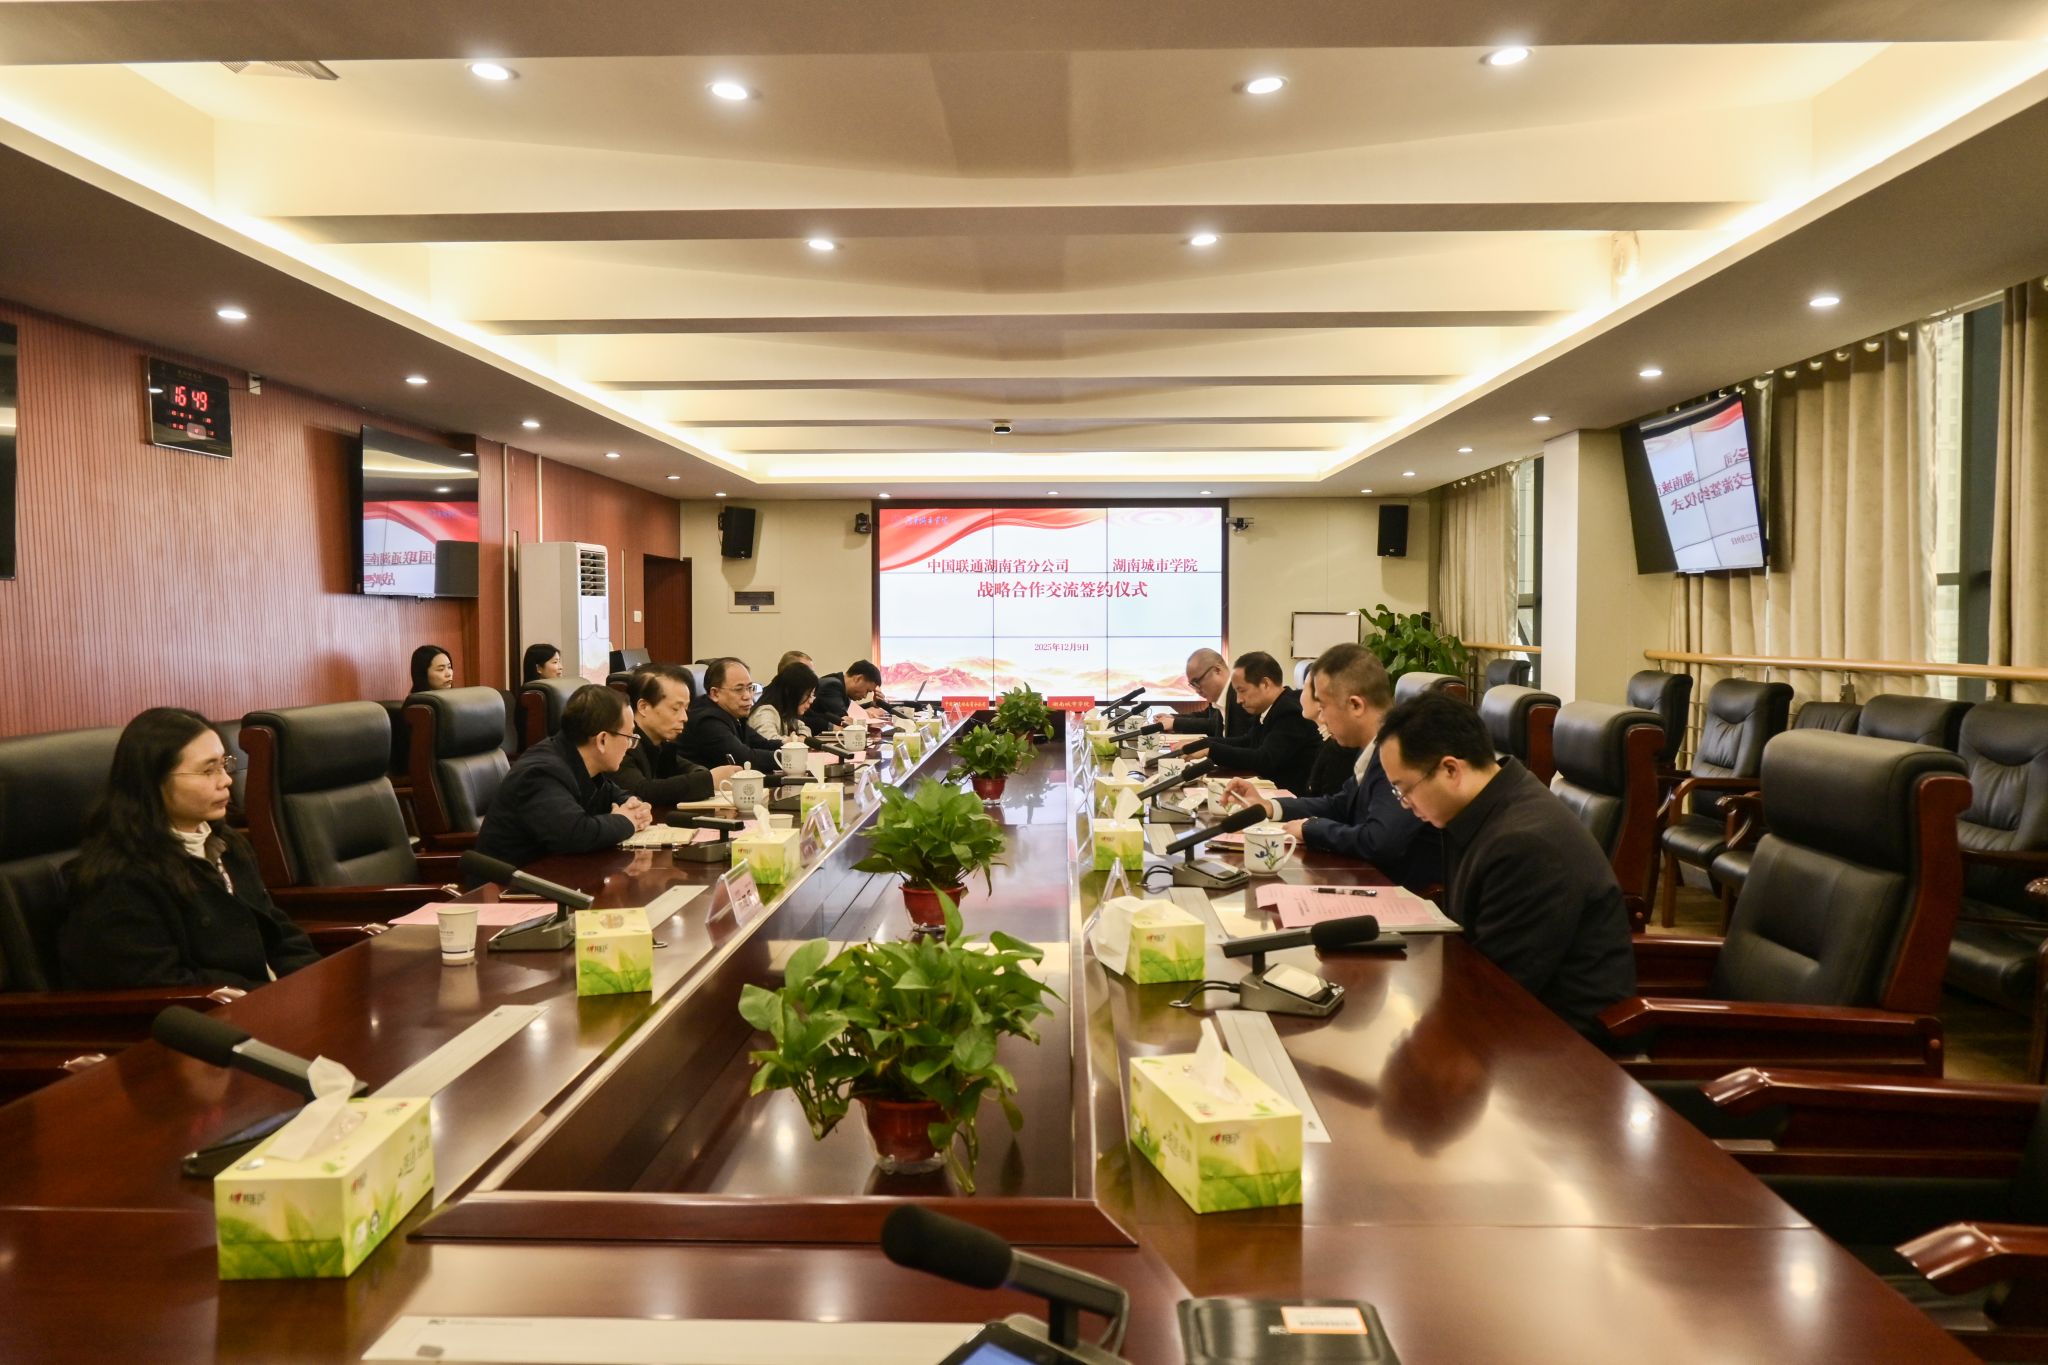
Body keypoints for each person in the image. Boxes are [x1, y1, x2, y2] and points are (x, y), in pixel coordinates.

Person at [1376, 691, 1635, 1040]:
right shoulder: (1484, 808)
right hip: (1506, 1015)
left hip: (1559, 1043)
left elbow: (1496, 989)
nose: (1404, 804)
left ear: (1450, 769)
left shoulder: (1522, 845)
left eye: (1404, 790)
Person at [61, 708, 320, 991]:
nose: (226, 780)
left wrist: (311, 983)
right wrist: (270, 997)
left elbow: (277, 931)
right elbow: (160, 984)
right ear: (154, 781)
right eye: (208, 770)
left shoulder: (227, 844)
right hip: (213, 1012)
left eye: (224, 765)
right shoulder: (118, 878)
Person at [1226, 644, 1441, 892]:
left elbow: (1379, 841)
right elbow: (1339, 804)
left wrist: (1311, 829)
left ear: (1356, 705)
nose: (1321, 717)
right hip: (1369, 878)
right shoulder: (1372, 747)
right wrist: (1270, 806)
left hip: (1399, 892)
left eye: (1324, 706)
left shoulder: (1399, 753)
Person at [474, 684, 652, 869]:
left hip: (555, 874)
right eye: (628, 737)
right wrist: (627, 821)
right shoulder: (541, 773)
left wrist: (636, 808)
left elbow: (617, 796)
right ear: (602, 740)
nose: (630, 746)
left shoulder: (578, 760)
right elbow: (576, 834)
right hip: (508, 883)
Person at [616, 665, 738, 805]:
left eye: (686, 709)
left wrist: (706, 775)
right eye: (675, 709)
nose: (684, 718)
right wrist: (709, 780)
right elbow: (642, 791)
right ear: (643, 707)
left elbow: (690, 769)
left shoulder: (661, 744)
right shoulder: (622, 743)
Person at [1204, 651, 1319, 795]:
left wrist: (1211, 750)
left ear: (1265, 684)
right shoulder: (1269, 707)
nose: (1238, 700)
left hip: (1293, 798)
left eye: (1242, 691)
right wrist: (1204, 743)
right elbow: (1248, 741)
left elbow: (1265, 759)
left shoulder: (1290, 711)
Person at [679, 657, 784, 769]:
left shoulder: (733, 713)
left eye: (750, 688)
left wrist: (791, 746)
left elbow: (763, 744)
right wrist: (790, 758)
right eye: (738, 689)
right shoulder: (707, 721)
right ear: (715, 693)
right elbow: (745, 759)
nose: (748, 696)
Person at [1160, 646, 1251, 739]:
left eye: (1197, 682)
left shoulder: (1240, 697)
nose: (1197, 690)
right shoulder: (1220, 696)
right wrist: (1174, 717)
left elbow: (1213, 725)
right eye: (1193, 685)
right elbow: (1207, 715)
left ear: (1217, 670)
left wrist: (1176, 723)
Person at [1299, 670, 1361, 798]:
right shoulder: (1325, 743)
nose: (1299, 694)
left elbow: (1328, 802)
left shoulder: (1339, 751)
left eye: (1304, 688)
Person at [749, 661, 819, 742]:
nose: (811, 701)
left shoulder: (785, 713)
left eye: (812, 695)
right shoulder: (765, 712)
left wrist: (802, 736)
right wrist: (796, 740)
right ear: (791, 692)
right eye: (808, 694)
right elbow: (768, 741)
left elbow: (803, 727)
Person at [810, 660, 882, 729]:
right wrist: (865, 714)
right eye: (867, 691)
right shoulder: (832, 686)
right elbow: (844, 718)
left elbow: (847, 709)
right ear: (858, 679)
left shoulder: (839, 685)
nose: (865, 696)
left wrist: (872, 704)